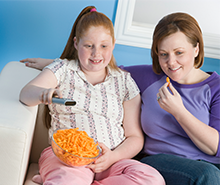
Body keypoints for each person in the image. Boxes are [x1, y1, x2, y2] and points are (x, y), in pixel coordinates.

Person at [20, 12, 220, 185]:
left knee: (181, 177)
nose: (171, 62)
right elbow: (96, 68)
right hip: (154, 160)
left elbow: (215, 148)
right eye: (163, 54)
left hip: (200, 163)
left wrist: (179, 111)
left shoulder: (214, 87)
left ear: (196, 49)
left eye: (179, 53)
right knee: (207, 176)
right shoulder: (150, 76)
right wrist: (55, 66)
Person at [19, 6, 164, 185]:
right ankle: (61, 177)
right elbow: (26, 93)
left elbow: (135, 137)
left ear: (113, 44)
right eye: (89, 46)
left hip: (110, 160)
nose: (96, 53)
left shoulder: (124, 81)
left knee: (152, 179)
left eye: (104, 46)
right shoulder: (63, 69)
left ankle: (61, 179)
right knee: (70, 178)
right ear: (76, 43)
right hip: (67, 158)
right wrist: (44, 94)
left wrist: (113, 157)